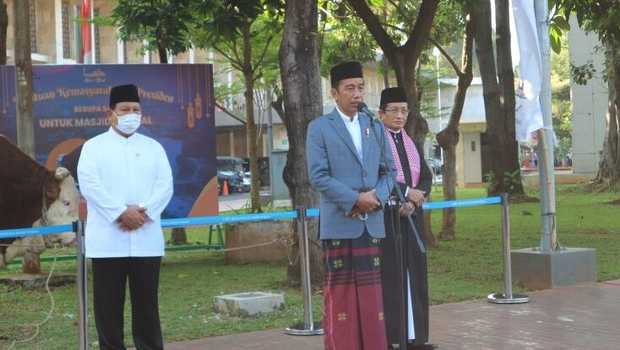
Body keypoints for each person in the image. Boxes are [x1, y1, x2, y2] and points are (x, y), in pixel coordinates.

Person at [306, 61, 394, 350]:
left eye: (360, 87)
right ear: (334, 93)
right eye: (349, 88)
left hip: (371, 223)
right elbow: (318, 175)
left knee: (373, 301)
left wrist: (375, 197)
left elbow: (389, 172)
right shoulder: (319, 128)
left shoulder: (375, 126)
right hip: (340, 223)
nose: (357, 94)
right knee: (341, 298)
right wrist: (356, 199)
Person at [78, 84, 173, 350]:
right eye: (125, 109)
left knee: (147, 308)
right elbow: (90, 185)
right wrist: (121, 213)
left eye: (136, 109)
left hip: (146, 240)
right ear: (111, 113)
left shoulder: (154, 148)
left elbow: (165, 186)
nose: (131, 114)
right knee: (108, 310)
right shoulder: (93, 147)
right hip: (108, 242)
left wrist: (143, 213)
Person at [378, 87, 434, 349]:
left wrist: (413, 199)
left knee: (417, 275)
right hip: (390, 218)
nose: (400, 116)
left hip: (413, 216)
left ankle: (419, 337)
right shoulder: (376, 141)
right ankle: (396, 337)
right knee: (394, 276)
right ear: (382, 113)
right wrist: (402, 195)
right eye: (394, 110)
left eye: (404, 110)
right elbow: (379, 175)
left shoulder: (410, 141)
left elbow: (425, 175)